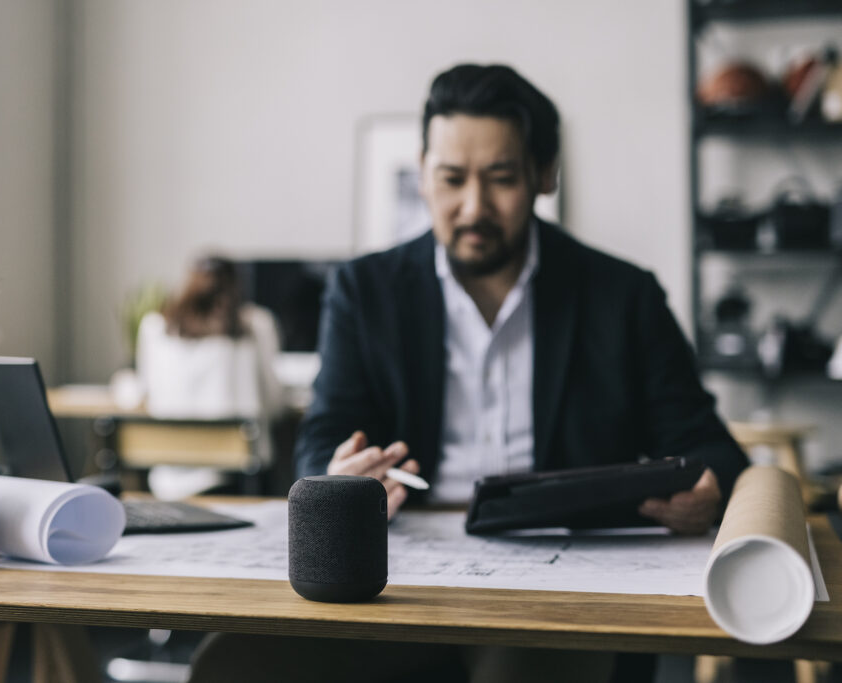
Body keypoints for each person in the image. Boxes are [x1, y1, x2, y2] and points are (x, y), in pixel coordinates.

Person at [189, 64, 749, 683]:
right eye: (452, 179)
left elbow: (711, 448)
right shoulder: (364, 291)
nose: (473, 206)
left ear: (544, 174)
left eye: (502, 178)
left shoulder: (623, 296)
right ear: (424, 173)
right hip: (398, 573)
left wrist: (707, 492)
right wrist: (338, 476)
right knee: (233, 663)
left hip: (562, 580)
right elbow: (322, 438)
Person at [136, 255, 284, 497]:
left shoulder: (154, 326)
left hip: (167, 479)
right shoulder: (256, 324)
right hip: (239, 479)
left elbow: (147, 392)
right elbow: (275, 405)